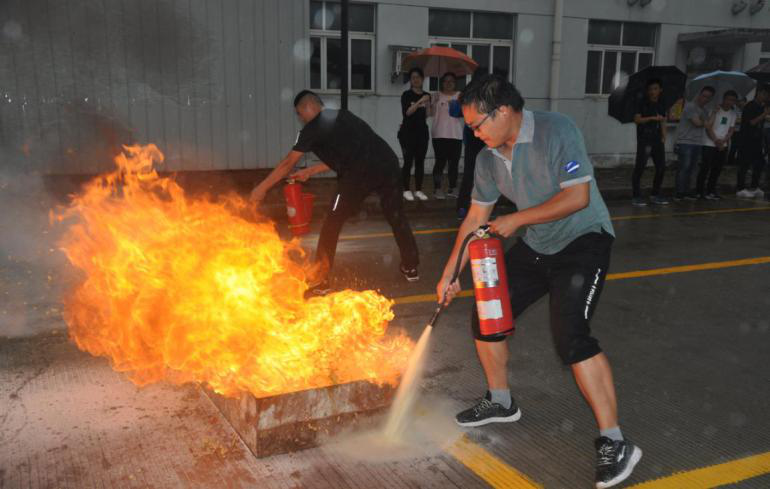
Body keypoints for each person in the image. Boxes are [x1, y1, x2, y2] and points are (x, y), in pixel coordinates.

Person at [436, 74, 641, 488]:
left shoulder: (556, 130)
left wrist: (516, 220)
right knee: (488, 315)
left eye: (477, 125)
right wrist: (449, 274)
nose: (473, 134)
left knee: (571, 336)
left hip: (584, 240)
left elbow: (578, 197)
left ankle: (615, 441)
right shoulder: (488, 158)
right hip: (538, 244)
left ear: (503, 111)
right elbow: (475, 218)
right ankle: (500, 401)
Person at [249, 90, 420, 294]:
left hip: (357, 176)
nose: (301, 119)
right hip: (387, 165)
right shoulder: (343, 115)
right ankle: (411, 266)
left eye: (299, 113)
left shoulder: (312, 129)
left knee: (332, 222)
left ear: (307, 106)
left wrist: (261, 188)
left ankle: (321, 281)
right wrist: (310, 171)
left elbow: (287, 164)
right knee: (396, 216)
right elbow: (350, 153)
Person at [631, 78, 669, 206]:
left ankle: (655, 194)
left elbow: (663, 121)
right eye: (650, 89)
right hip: (645, 140)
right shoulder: (642, 103)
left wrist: (664, 136)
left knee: (661, 167)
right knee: (640, 167)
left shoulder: (661, 104)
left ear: (660, 90)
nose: (653, 92)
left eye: (655, 89)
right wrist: (652, 118)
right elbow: (637, 120)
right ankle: (636, 196)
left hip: (657, 140)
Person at [673, 85, 714, 201]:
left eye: (708, 97)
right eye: (704, 96)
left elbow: (708, 125)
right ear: (699, 94)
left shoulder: (705, 110)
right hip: (685, 142)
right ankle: (679, 192)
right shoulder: (690, 106)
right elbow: (697, 123)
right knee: (684, 167)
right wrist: (705, 122)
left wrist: (714, 112)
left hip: (698, 142)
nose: (705, 99)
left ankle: (687, 191)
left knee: (693, 168)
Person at [429, 72, 464, 199]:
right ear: (442, 83)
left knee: (454, 163)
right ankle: (437, 189)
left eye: (451, 81)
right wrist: (433, 102)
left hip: (456, 134)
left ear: (455, 83)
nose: (448, 83)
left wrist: (456, 106)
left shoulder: (460, 96)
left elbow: (465, 114)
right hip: (439, 134)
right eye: (446, 81)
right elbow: (430, 113)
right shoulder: (436, 95)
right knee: (440, 162)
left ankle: (453, 188)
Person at [697, 90, 738, 200]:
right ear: (724, 99)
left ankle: (711, 190)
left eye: (733, 100)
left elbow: (731, 130)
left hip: (723, 145)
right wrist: (716, 140)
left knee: (717, 169)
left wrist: (724, 141)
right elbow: (708, 128)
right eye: (728, 99)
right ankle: (699, 191)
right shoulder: (713, 110)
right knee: (705, 168)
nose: (730, 102)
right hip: (709, 143)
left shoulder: (733, 114)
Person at [398, 67, 431, 202]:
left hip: (422, 133)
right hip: (407, 133)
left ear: (422, 79)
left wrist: (428, 104)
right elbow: (407, 112)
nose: (416, 80)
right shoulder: (406, 95)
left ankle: (418, 190)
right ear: (410, 80)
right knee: (408, 161)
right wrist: (420, 101)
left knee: (420, 161)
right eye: (413, 78)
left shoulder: (427, 95)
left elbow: (428, 115)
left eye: (418, 77)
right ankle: (406, 190)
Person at [736, 84, 770, 199]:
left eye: (768, 95)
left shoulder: (761, 106)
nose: (766, 97)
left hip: (757, 140)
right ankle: (740, 188)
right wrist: (764, 115)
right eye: (765, 94)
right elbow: (751, 122)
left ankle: (754, 186)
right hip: (746, 139)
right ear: (759, 93)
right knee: (744, 164)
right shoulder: (750, 106)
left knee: (759, 163)